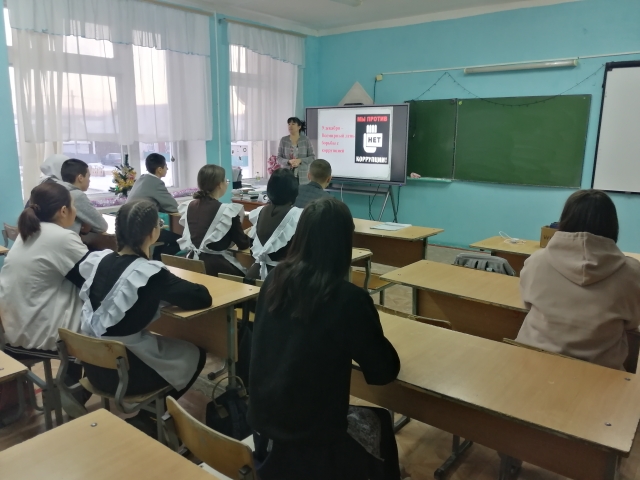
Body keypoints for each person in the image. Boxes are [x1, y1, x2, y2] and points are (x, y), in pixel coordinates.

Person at [249, 197, 402, 480]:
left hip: (264, 427)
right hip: (313, 439)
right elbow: (382, 372)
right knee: (379, 420)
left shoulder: (274, 280)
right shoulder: (349, 299)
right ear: (345, 242)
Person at [72, 199, 212, 404]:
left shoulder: (100, 261)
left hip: (94, 368)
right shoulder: (149, 273)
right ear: (153, 233)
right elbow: (201, 297)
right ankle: (155, 411)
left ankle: (154, 411)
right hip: (127, 375)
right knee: (194, 353)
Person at [515, 190, 640, 370]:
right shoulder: (632, 272)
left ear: (565, 220)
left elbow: (527, 304)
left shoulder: (536, 261)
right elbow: (633, 322)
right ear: (612, 225)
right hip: (600, 373)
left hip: (532, 364)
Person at [0, 182, 88, 389]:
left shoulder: (28, 233)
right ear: (64, 210)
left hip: (14, 330)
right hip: (41, 334)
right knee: (98, 309)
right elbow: (94, 277)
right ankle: (73, 390)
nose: (75, 211)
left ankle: (67, 389)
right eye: (73, 206)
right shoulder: (61, 237)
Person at [178, 165, 250, 276]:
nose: (227, 183)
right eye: (226, 181)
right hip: (216, 267)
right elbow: (243, 244)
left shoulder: (189, 206)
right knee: (248, 277)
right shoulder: (227, 211)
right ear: (219, 185)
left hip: (191, 263)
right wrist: (248, 233)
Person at [246, 169, 301, 280]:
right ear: (294, 191)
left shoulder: (260, 211)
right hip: (282, 279)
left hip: (254, 275)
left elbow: (252, 249)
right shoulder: (298, 215)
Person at [127, 153, 180, 260]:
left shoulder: (141, 179)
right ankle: (159, 261)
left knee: (165, 239)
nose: (167, 168)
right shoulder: (156, 183)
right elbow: (173, 207)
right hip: (143, 229)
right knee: (180, 240)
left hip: (129, 227)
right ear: (159, 169)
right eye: (166, 166)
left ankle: (157, 259)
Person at [60, 159, 108, 235]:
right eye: (88, 177)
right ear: (80, 178)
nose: (89, 181)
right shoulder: (77, 196)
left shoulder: (56, 191)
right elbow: (102, 226)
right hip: (68, 239)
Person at [277, 117, 316, 185]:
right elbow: (278, 158)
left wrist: (300, 160)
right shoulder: (284, 140)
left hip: (303, 178)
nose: (290, 126)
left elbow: (312, 157)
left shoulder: (305, 140)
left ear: (299, 127)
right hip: (286, 177)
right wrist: (288, 161)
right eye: (289, 124)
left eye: (293, 124)